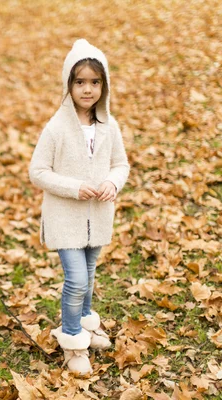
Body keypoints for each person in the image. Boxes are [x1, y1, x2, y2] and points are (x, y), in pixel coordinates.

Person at [28, 39, 130, 375]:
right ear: (68, 85)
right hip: (65, 218)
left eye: (95, 82)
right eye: (80, 82)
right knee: (76, 279)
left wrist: (112, 183)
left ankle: (86, 322)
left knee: (89, 275)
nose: (88, 89)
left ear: (105, 85)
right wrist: (75, 187)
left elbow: (121, 165)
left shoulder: (108, 126)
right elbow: (38, 171)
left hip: (98, 217)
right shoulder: (56, 128)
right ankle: (72, 339)